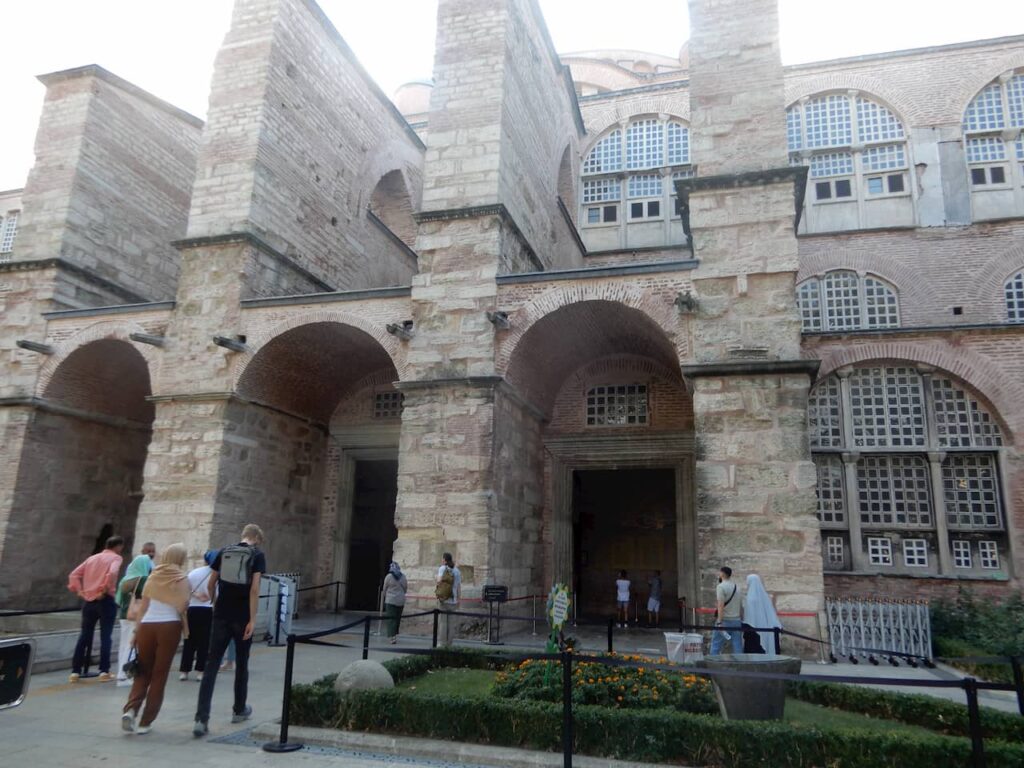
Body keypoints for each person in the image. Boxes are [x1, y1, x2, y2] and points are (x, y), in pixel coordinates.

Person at [193, 524, 266, 737]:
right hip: (242, 616)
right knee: (242, 664)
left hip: (222, 614)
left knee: (211, 664)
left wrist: (216, 603)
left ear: (243, 536)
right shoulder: (257, 555)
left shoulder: (224, 551)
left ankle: (201, 718)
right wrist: (252, 619)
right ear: (257, 538)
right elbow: (254, 589)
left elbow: (211, 583)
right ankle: (239, 709)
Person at [121, 543, 191, 734]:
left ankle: (131, 710)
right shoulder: (181, 578)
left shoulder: (153, 576)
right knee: (159, 675)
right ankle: (146, 722)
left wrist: (136, 633)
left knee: (142, 671)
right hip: (169, 627)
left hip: (147, 627)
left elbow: (143, 608)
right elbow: (183, 605)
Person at [67, 535, 125, 682]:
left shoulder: (92, 558)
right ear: (118, 546)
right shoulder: (116, 558)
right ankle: (103, 671)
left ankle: (75, 672)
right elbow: (112, 573)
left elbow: (74, 575)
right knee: (106, 636)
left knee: (85, 635)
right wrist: (104, 590)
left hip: (88, 600)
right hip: (105, 599)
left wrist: (80, 591)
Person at [115, 553, 154, 687]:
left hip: (124, 615)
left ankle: (120, 672)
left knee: (123, 645)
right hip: (136, 616)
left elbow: (118, 600)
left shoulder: (125, 580)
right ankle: (126, 675)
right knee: (132, 645)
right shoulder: (143, 580)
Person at [179, 550, 217, 681]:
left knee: (189, 640)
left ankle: (184, 671)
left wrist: (195, 595)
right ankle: (200, 671)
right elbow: (218, 594)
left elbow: (184, 589)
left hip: (192, 609)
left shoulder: (194, 573)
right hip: (207, 610)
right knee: (204, 642)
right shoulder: (217, 575)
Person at [743, 573, 783, 657]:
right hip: (765, 627)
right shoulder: (765, 596)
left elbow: (749, 616)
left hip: (753, 628)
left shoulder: (750, 598)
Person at [710, 566, 743, 656]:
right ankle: (740, 665)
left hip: (725, 620)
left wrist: (719, 622)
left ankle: (713, 665)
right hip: (736, 620)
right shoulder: (737, 587)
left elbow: (720, 605)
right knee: (737, 645)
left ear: (723, 574)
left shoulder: (721, 587)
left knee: (716, 644)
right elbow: (740, 605)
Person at [435, 552, 461, 645]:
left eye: (442, 559)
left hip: (443, 599)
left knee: (443, 622)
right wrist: (458, 600)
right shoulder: (457, 571)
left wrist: (436, 577)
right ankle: (450, 643)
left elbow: (438, 581)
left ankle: (442, 643)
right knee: (451, 623)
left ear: (445, 560)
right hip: (453, 600)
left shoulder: (442, 568)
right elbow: (458, 587)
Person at [382, 561, 408, 644]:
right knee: (397, 619)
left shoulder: (388, 577)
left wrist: (386, 597)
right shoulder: (403, 577)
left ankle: (392, 637)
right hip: (400, 600)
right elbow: (405, 589)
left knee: (391, 619)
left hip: (390, 600)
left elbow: (385, 588)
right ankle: (395, 635)